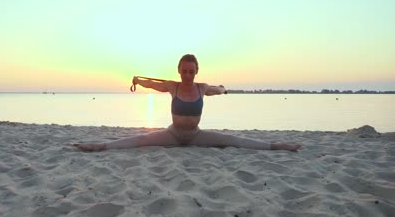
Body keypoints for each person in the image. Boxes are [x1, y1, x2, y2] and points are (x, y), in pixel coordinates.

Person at [72, 54, 301, 152]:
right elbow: (153, 85)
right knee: (140, 139)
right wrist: (139, 81)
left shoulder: (202, 88)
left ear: (196, 71)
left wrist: (223, 88)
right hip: (172, 135)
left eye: (191, 71)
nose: (187, 75)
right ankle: (100, 146)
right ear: (179, 71)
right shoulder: (173, 86)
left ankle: (276, 146)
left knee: (232, 140)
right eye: (184, 71)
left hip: (195, 136)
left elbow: (218, 90)